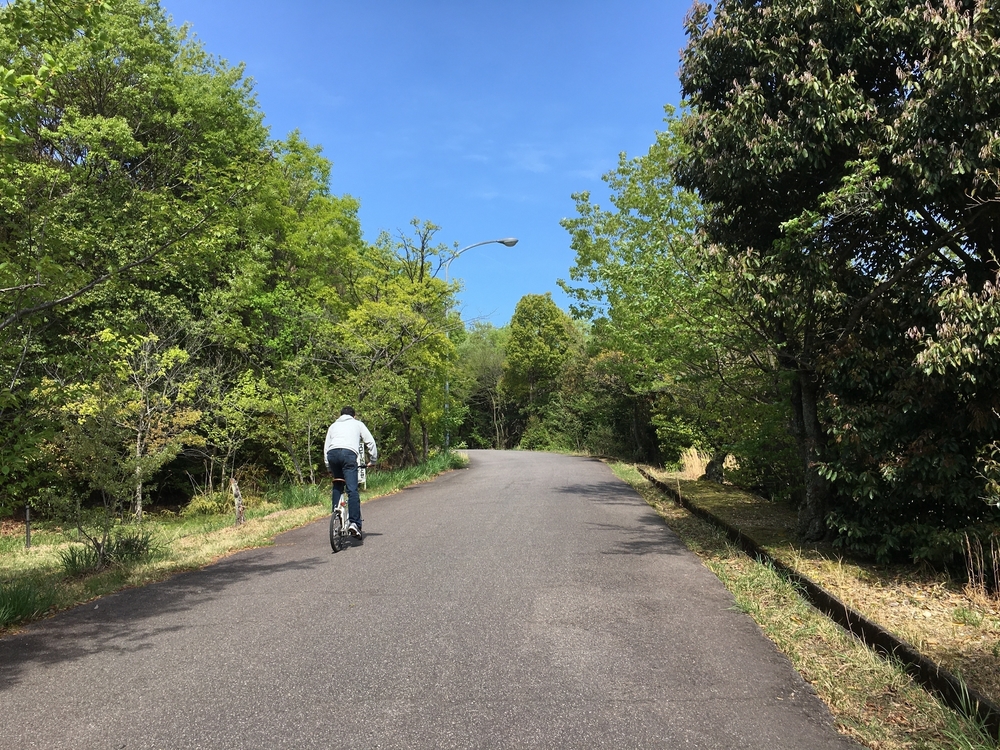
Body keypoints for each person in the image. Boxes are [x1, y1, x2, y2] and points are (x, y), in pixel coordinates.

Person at [324, 406, 378, 538]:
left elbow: (326, 447)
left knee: (338, 483)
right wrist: (373, 460)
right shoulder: (357, 424)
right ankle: (354, 523)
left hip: (332, 454)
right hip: (348, 454)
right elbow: (370, 442)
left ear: (340, 415)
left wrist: (328, 467)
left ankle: (336, 516)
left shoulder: (333, 426)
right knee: (352, 489)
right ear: (354, 416)